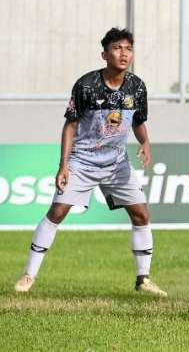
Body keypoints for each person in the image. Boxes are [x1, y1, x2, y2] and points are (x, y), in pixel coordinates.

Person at [14, 28, 166, 297]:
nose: (124, 54)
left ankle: (143, 279)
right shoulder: (86, 85)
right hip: (82, 161)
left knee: (141, 214)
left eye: (128, 49)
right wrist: (64, 165)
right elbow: (70, 126)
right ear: (104, 54)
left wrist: (145, 142)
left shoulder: (137, 86)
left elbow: (139, 121)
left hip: (117, 164)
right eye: (117, 48)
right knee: (57, 212)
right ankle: (29, 274)